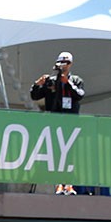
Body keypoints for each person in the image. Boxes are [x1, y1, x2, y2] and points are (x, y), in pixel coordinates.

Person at [31, 51, 84, 196]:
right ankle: (59, 185)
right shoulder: (52, 81)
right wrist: (37, 84)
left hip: (70, 122)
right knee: (55, 153)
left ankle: (69, 185)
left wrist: (68, 83)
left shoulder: (76, 80)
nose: (63, 66)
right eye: (61, 63)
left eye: (66, 63)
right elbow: (35, 95)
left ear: (71, 64)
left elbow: (80, 95)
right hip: (54, 122)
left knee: (69, 153)